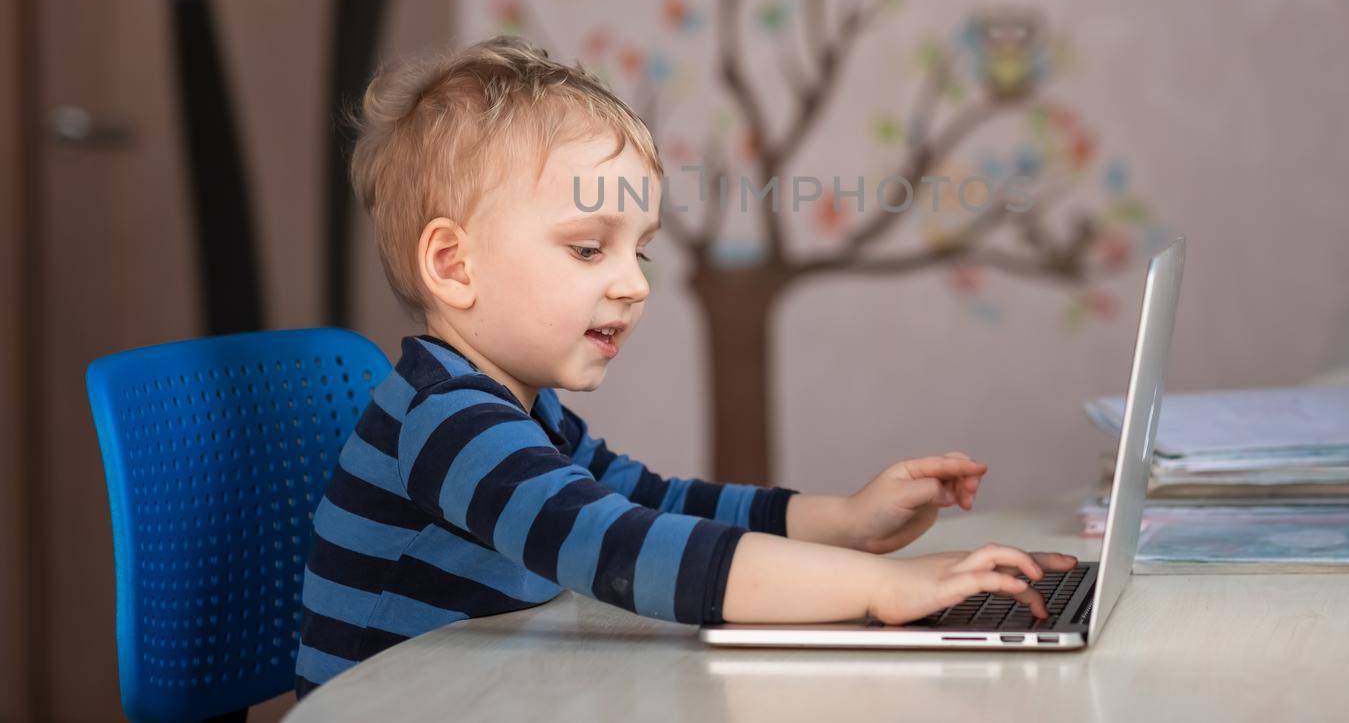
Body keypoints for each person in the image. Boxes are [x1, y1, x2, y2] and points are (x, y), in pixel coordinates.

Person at [294, 36, 1075, 696]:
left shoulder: (522, 413)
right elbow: (631, 547)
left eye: (641, 250)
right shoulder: (446, 423)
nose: (634, 282)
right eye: (589, 247)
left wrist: (846, 521)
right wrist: (890, 588)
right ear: (454, 265)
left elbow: (659, 500)